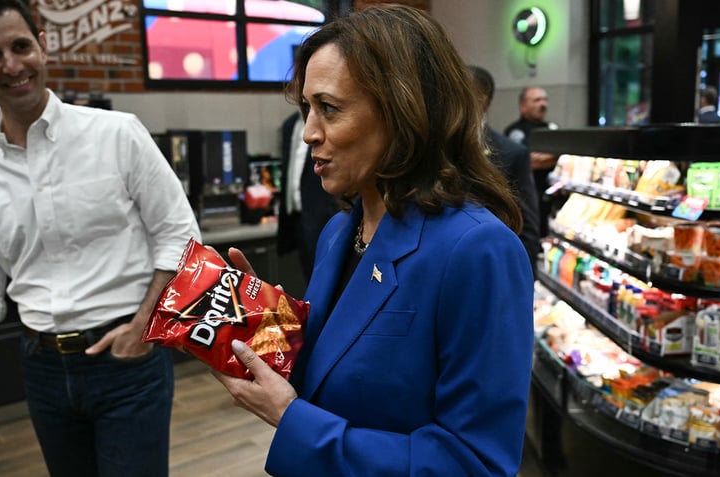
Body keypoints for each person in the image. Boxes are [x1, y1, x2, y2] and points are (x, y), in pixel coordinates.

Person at [212, 5, 534, 476]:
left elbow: (476, 462)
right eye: (306, 109)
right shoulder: (339, 232)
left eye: (329, 108)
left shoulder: (478, 250)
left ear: (404, 109)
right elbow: (333, 372)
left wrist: (291, 420)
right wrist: (267, 326)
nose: (308, 133)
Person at [0, 1, 201, 476]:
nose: (13, 66)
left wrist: (145, 328)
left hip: (128, 361)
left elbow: (180, 238)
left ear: (44, 45)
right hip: (40, 367)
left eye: (21, 46)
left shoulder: (117, 135)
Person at [468, 65, 541, 274]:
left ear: (481, 99)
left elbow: (526, 225)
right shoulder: (435, 146)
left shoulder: (511, 152)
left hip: (492, 268)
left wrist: (523, 279)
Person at [277, 111, 339, 285]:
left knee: (328, 282)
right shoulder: (289, 125)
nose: (308, 136)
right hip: (296, 216)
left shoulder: (327, 123)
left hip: (323, 216)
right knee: (309, 282)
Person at [504, 86, 560, 238]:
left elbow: (563, 158)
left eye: (545, 100)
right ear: (523, 106)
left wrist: (547, 158)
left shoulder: (552, 128)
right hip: (527, 198)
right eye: (537, 100)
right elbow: (527, 162)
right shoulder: (515, 131)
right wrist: (553, 157)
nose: (543, 104)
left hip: (552, 197)